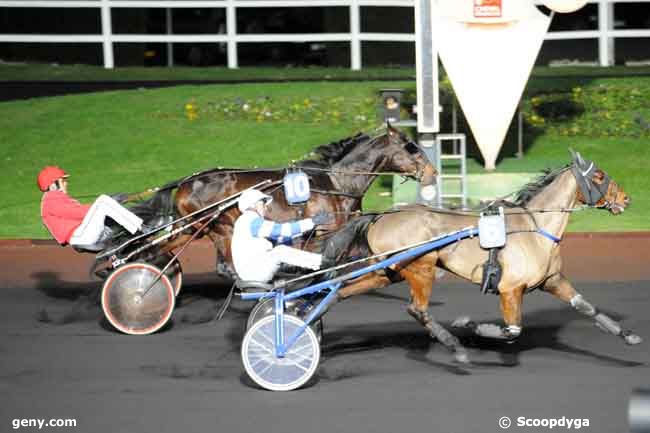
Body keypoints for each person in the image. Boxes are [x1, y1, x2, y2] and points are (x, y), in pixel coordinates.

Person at [232, 188, 333, 283]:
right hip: (253, 272)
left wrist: (302, 232)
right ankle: (322, 263)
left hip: (252, 269)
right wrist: (312, 222)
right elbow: (283, 231)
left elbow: (280, 238)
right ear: (254, 205)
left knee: (279, 251)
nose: (266, 208)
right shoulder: (251, 220)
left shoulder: (245, 221)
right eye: (263, 204)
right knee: (279, 251)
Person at [37, 166, 145, 251]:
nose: (66, 183)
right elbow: (79, 213)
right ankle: (140, 228)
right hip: (80, 236)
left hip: (82, 233)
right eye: (63, 181)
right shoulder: (51, 199)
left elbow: (84, 212)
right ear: (53, 184)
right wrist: (109, 201)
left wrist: (111, 202)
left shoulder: (56, 198)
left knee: (105, 204)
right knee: (103, 201)